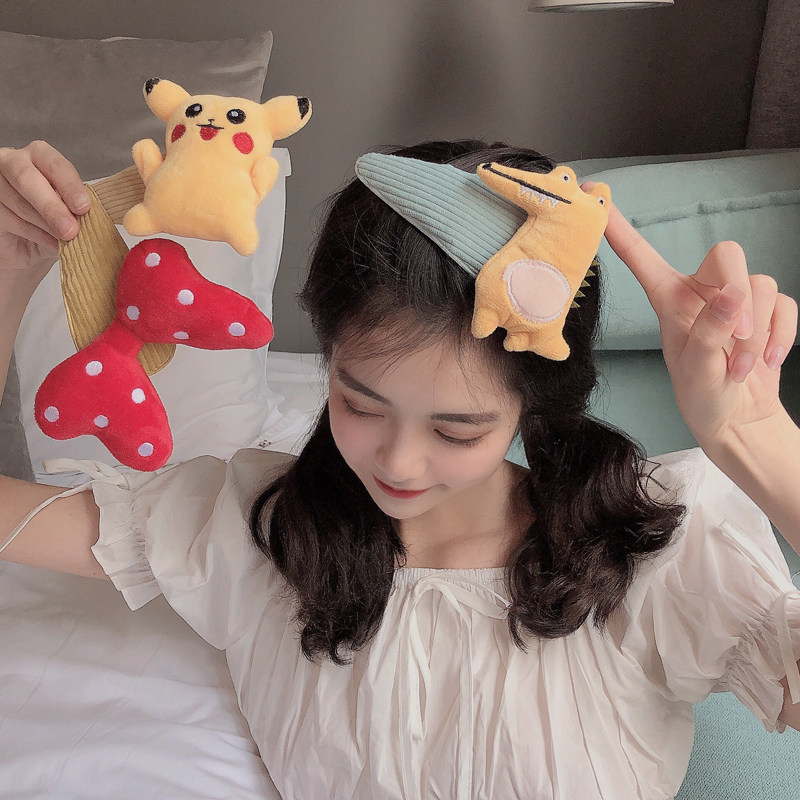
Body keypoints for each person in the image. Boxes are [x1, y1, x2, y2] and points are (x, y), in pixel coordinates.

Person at [1, 137, 800, 799]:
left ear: (530, 406)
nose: (399, 461)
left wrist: (756, 440)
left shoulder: (648, 547)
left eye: (457, 429)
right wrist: (13, 263)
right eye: (360, 403)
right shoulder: (255, 530)